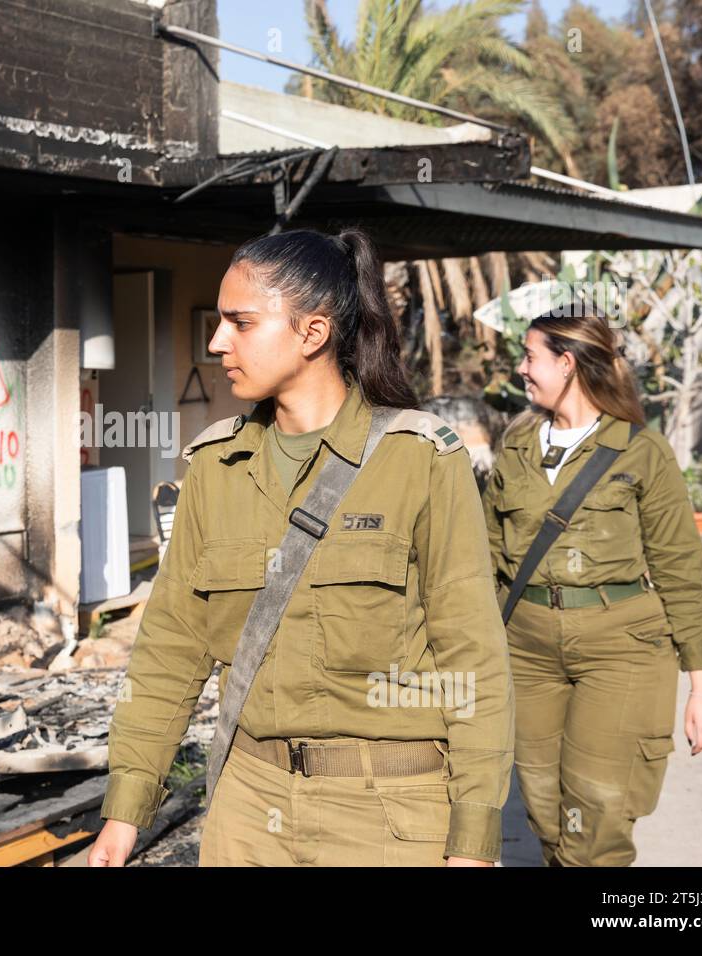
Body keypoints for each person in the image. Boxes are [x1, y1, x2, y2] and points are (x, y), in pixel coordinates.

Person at [87, 227, 514, 867]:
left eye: (241, 323)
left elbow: (472, 658)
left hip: (387, 813)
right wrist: (126, 810)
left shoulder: (419, 459)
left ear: (313, 334)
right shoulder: (214, 466)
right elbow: (170, 650)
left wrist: (474, 839)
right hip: (247, 808)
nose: (216, 341)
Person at [481, 309, 702, 866]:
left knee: (598, 820)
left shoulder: (641, 450)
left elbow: (680, 570)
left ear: (566, 364)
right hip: (528, 648)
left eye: (530, 357)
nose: (520, 369)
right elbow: (489, 554)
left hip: (622, 648)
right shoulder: (516, 445)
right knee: (545, 811)